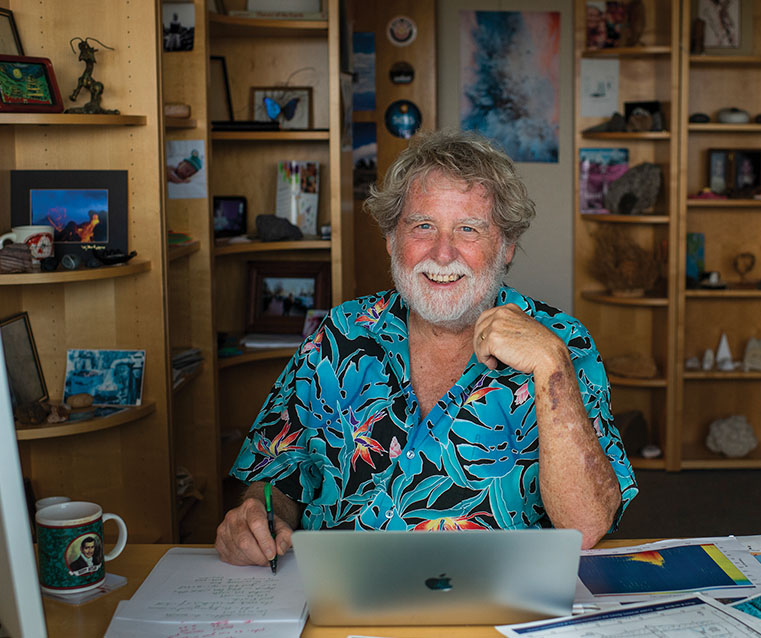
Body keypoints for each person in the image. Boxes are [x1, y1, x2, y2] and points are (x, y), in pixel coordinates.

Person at [215, 129, 638, 566]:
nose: (442, 253)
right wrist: (259, 513)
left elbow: (586, 526)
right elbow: (278, 474)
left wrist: (551, 366)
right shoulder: (340, 334)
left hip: (498, 596)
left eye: (468, 229)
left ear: (506, 246)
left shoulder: (563, 342)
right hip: (343, 592)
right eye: (423, 226)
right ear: (391, 239)